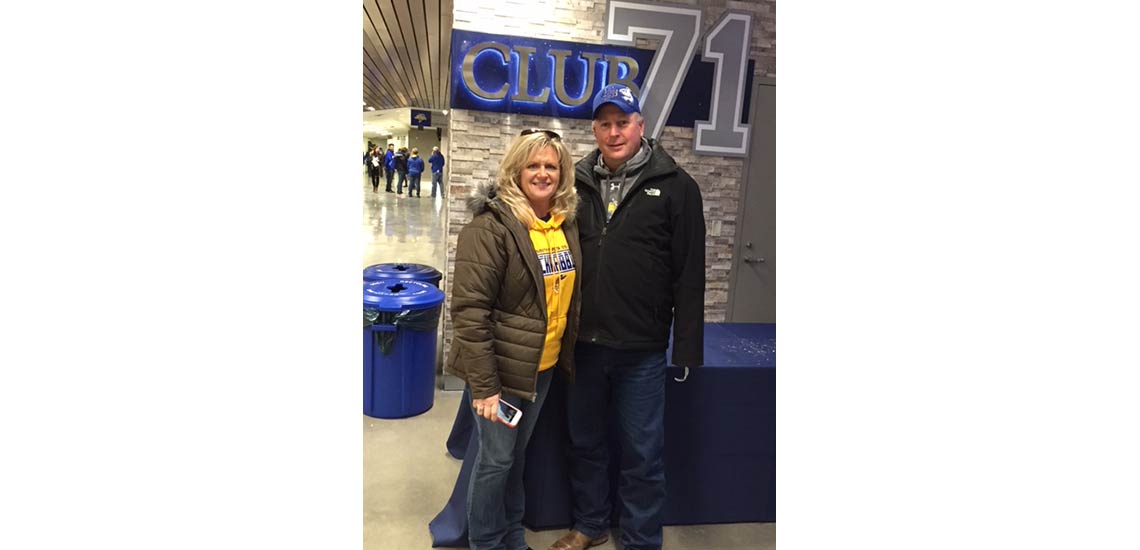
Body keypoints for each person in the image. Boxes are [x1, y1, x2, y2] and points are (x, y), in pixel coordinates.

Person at [549, 84, 705, 550]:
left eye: (623, 122)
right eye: (604, 124)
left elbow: (690, 272)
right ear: (594, 129)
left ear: (641, 125)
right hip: (582, 346)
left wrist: (688, 347)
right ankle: (590, 524)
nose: (613, 133)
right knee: (585, 444)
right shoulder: (571, 183)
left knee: (642, 454)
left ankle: (639, 539)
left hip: (642, 349)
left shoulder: (678, 186)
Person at [446, 128, 581, 550]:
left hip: (541, 367)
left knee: (517, 456)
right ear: (516, 171)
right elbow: (470, 312)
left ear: (562, 174)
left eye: (551, 166)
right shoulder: (491, 227)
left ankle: (512, 535)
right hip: (500, 373)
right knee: (495, 460)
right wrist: (484, 387)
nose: (542, 174)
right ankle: (485, 542)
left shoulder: (562, 224)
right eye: (533, 165)